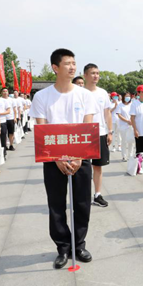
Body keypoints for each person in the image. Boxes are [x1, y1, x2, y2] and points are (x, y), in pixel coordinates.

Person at [29, 48, 96, 269]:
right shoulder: (42, 97)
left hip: (81, 157)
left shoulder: (85, 95)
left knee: (82, 203)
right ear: (55, 67)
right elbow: (42, 129)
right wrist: (57, 157)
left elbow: (87, 127)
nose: (72, 67)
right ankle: (63, 247)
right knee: (56, 205)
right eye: (67, 63)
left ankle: (79, 244)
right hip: (53, 159)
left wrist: (78, 157)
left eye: (74, 63)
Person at [83, 63, 111, 208]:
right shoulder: (79, 93)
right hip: (83, 135)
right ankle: (83, 195)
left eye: (97, 73)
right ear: (85, 75)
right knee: (83, 167)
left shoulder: (103, 93)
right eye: (93, 73)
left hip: (100, 133)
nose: (96, 76)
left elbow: (107, 113)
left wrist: (109, 131)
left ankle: (97, 194)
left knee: (98, 166)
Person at [115, 92, 135, 161]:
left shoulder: (132, 104)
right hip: (123, 126)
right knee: (124, 141)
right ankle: (124, 156)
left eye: (129, 96)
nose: (127, 97)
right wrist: (127, 121)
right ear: (123, 97)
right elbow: (119, 115)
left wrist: (131, 121)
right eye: (126, 96)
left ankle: (130, 155)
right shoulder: (120, 105)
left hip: (131, 125)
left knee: (131, 141)